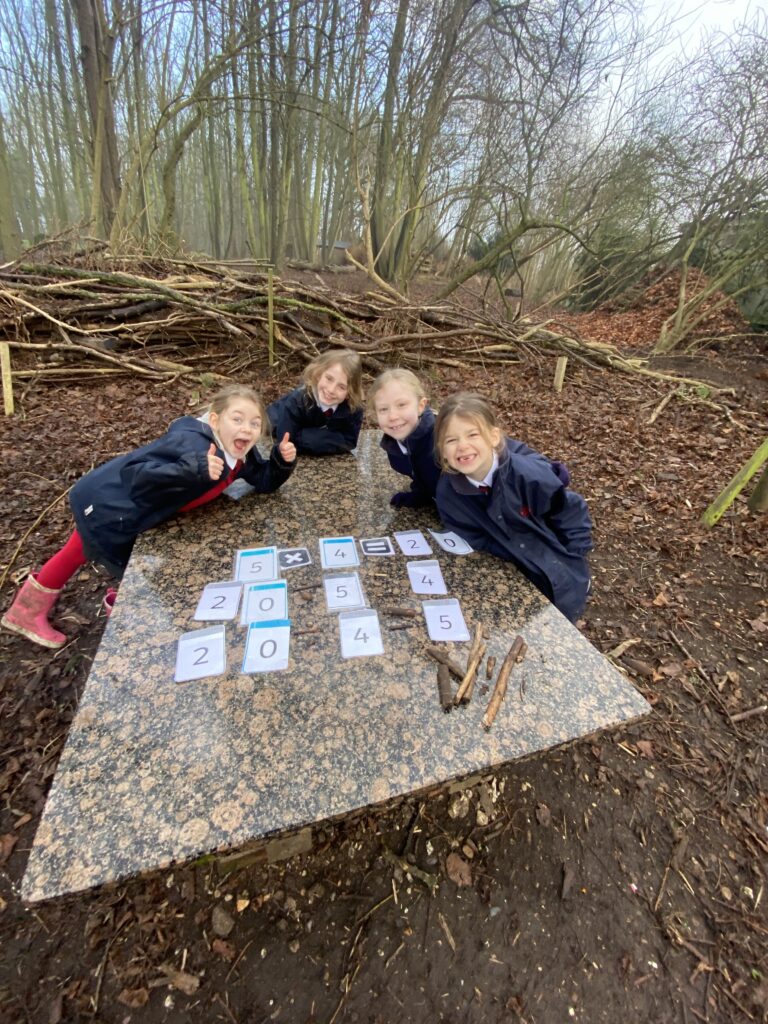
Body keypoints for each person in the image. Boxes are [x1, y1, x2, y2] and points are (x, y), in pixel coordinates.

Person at [1, 384, 296, 649]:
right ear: (216, 421)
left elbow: (264, 480)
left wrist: (281, 462)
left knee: (132, 558)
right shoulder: (191, 445)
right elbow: (137, 475)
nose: (246, 428)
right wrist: (191, 469)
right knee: (79, 552)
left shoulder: (239, 455)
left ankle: (120, 599)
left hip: (143, 510)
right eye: (238, 419)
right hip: (110, 504)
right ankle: (26, 613)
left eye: (255, 423)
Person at [434, 393, 592, 622]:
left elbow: (570, 511)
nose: (463, 446)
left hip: (558, 566)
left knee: (564, 618)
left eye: (472, 434)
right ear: (442, 449)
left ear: (494, 437)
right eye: (451, 440)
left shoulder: (528, 475)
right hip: (515, 571)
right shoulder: (448, 494)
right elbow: (471, 536)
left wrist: (574, 555)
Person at [267, 349, 364, 455]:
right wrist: (305, 439)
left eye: (341, 387)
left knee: (311, 439)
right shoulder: (296, 402)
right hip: (281, 413)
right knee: (268, 423)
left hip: (314, 430)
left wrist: (314, 440)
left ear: (350, 392)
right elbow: (285, 444)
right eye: (329, 378)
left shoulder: (354, 408)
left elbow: (349, 441)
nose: (331, 390)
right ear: (318, 374)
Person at [368, 368, 440, 507]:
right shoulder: (393, 444)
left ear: (420, 406)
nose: (393, 416)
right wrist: (421, 494)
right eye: (383, 409)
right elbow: (421, 473)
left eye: (401, 405)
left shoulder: (442, 438)